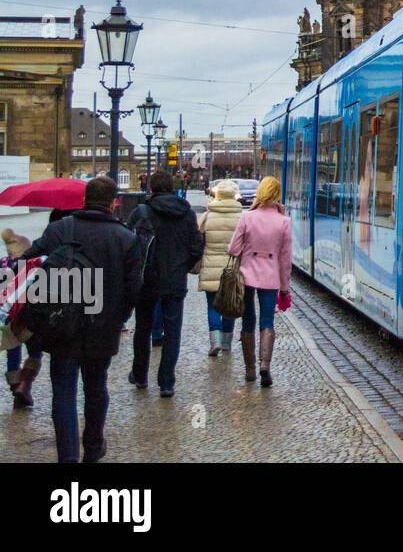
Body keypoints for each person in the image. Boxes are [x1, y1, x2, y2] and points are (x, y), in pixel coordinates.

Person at [20, 176, 141, 463]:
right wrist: (119, 318)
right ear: (114, 203)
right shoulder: (126, 238)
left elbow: (28, 259)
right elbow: (134, 288)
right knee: (96, 386)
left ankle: (68, 457)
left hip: (61, 322)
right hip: (104, 325)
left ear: (84, 200)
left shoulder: (62, 228)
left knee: (63, 389)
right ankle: (94, 446)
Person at [126, 171, 203, 397]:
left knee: (143, 328)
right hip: (175, 280)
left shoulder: (141, 212)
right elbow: (197, 247)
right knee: (172, 331)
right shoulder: (187, 214)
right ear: (172, 187)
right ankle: (167, 381)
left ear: (151, 188)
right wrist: (182, 266)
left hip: (147, 280)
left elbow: (129, 246)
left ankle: (140, 375)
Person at [228, 177, 292, 387]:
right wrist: (284, 288)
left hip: (246, 276)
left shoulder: (248, 217)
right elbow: (285, 259)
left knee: (248, 320)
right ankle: (265, 365)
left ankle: (250, 370)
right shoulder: (284, 222)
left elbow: (233, 249)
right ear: (277, 194)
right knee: (267, 321)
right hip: (271, 277)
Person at [197, 179, 243, 357]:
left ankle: (214, 342)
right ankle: (226, 344)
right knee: (229, 304)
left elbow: (198, 238)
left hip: (210, 265)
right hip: (232, 268)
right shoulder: (241, 216)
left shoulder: (208, 215)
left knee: (213, 306)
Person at [2, 228, 43, 410]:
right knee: (36, 351)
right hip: (27, 321)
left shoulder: (3, 265)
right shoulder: (31, 266)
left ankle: (15, 388)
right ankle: (25, 384)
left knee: (13, 352)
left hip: (8, 322)